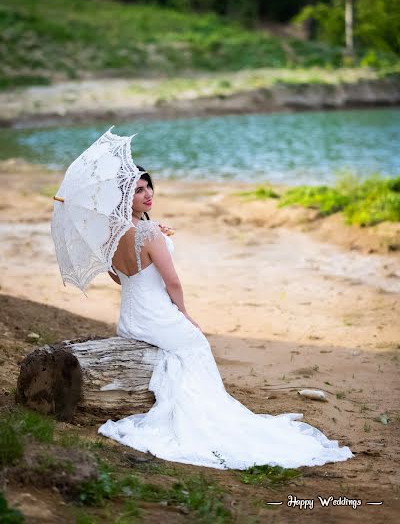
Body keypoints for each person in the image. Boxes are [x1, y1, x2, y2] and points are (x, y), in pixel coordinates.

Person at [98, 167, 354, 470]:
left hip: (130, 320)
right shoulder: (148, 233)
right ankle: (204, 417)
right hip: (155, 317)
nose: (148, 194)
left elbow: (120, 278)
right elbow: (172, 282)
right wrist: (184, 313)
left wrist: (154, 237)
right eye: (139, 190)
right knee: (196, 344)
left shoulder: (112, 234)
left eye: (148, 187)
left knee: (180, 354)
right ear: (125, 197)